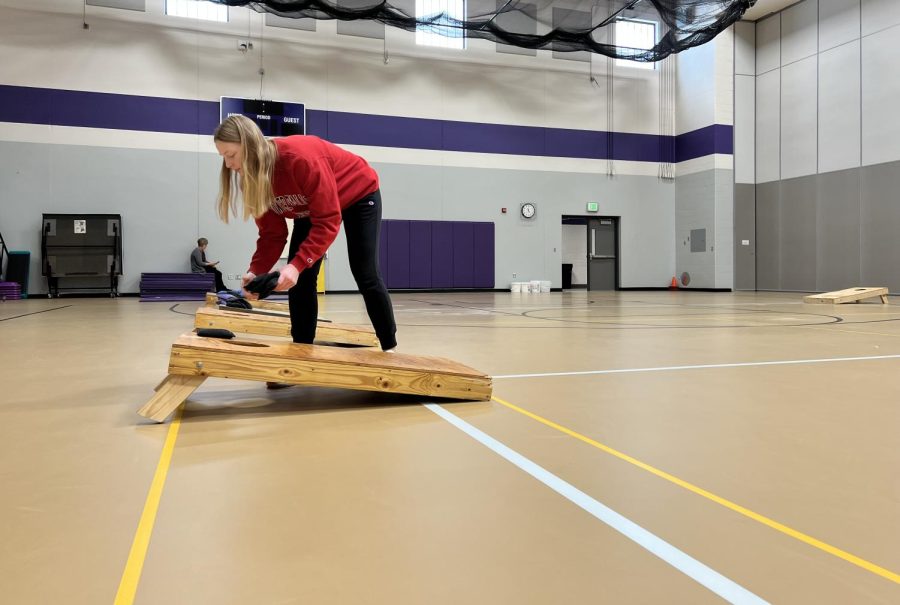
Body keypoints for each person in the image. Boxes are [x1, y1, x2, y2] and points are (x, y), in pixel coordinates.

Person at [213, 114, 397, 353]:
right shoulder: (253, 179)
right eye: (223, 157)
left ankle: (389, 347)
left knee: (365, 272)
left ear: (249, 145)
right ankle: (300, 353)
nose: (228, 164)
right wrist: (255, 272)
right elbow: (272, 233)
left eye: (231, 155)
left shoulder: (298, 159)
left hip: (358, 193)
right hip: (310, 209)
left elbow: (328, 220)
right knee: (300, 283)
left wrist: (297, 265)